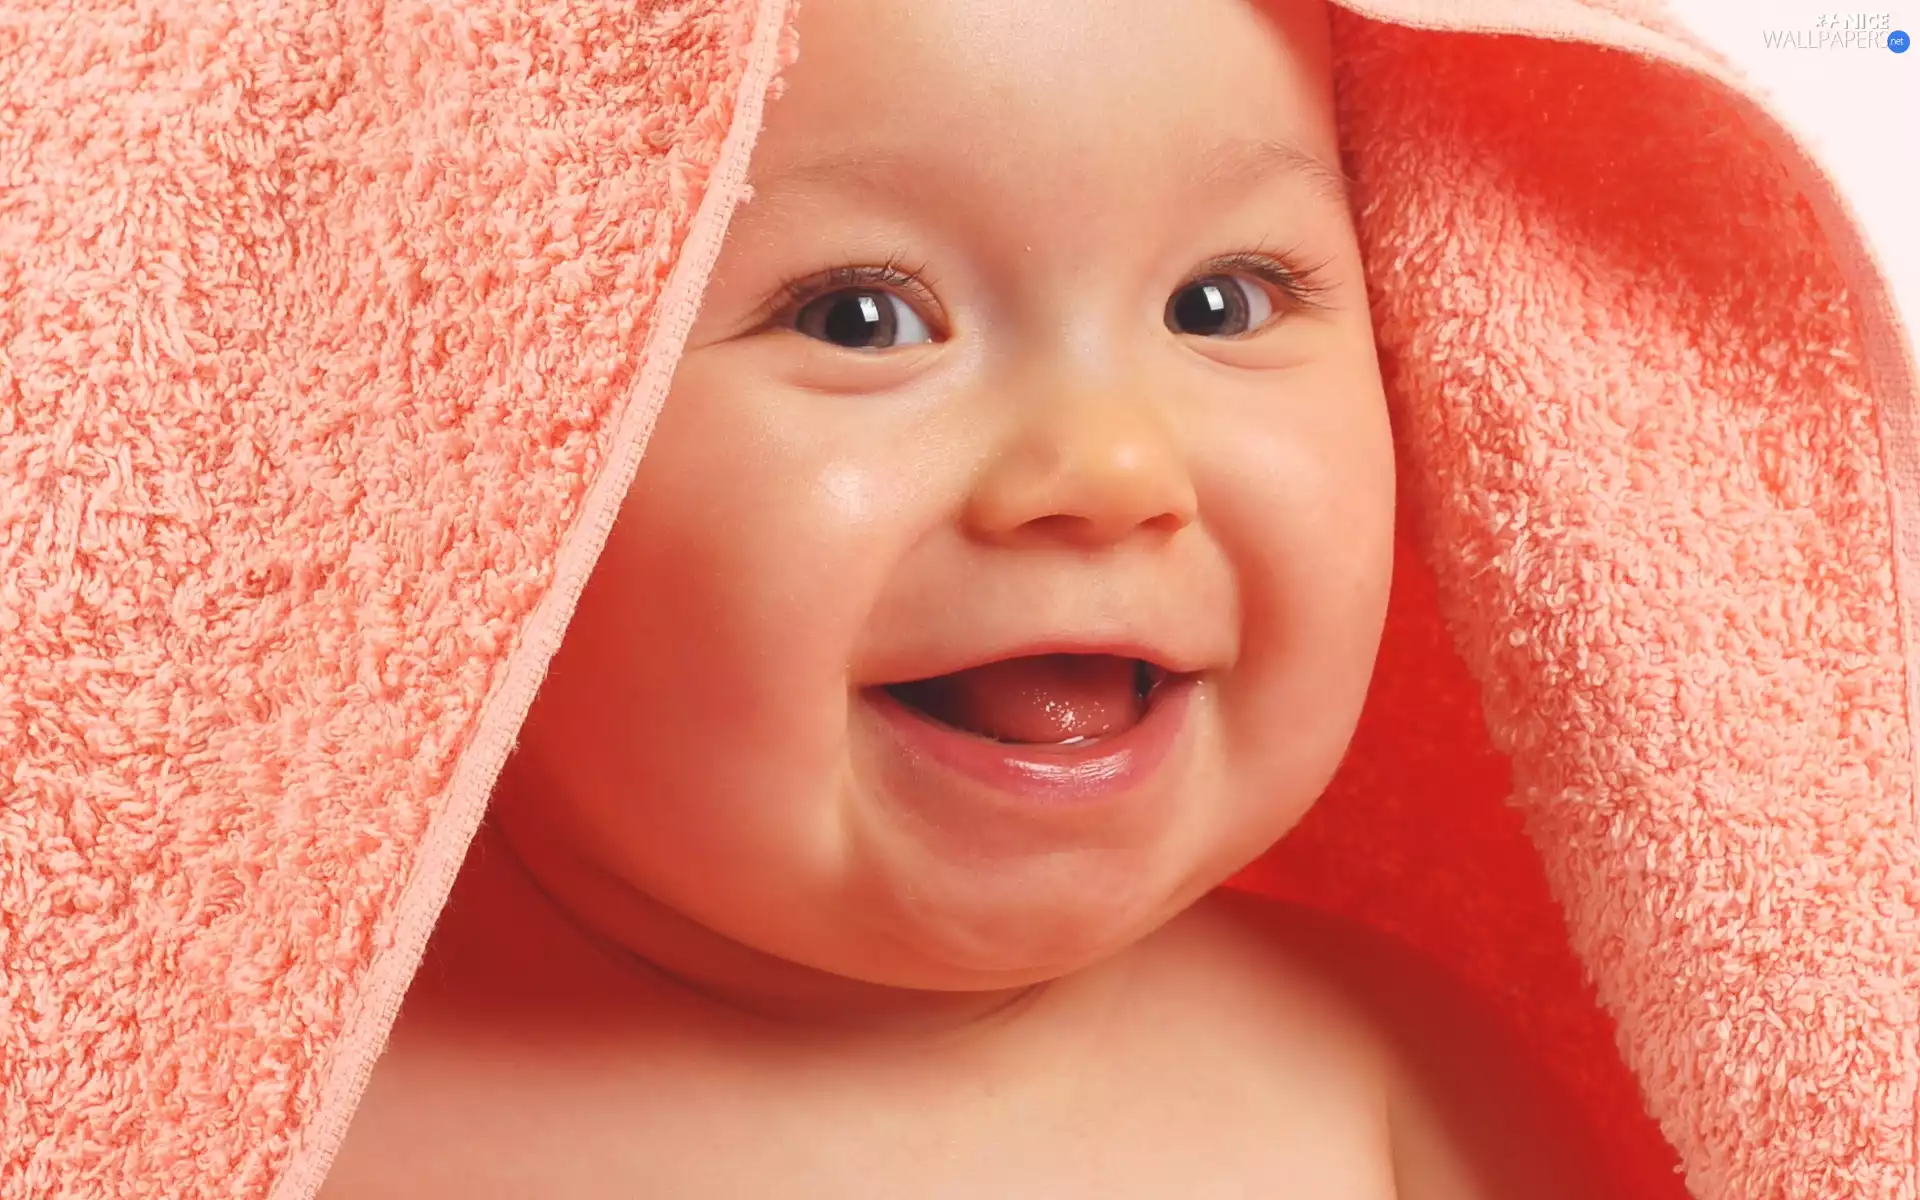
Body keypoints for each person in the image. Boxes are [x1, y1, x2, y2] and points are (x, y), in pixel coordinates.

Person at [319, 0, 1617, 1194]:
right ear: (470, 421)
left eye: (1220, 304)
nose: (1111, 467)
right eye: (858, 320)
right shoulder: (274, 1107)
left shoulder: (1383, 1091)